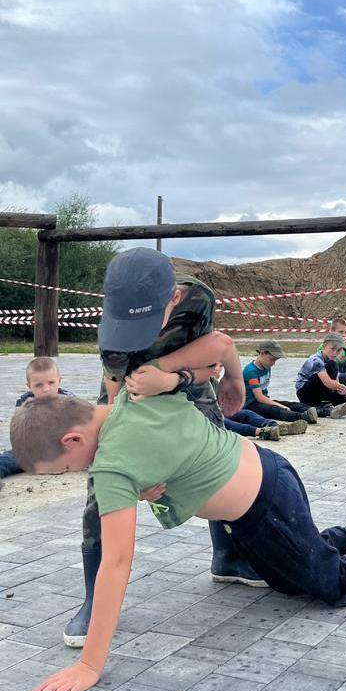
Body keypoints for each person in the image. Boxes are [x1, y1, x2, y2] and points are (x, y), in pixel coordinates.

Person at [11, 389, 346, 691]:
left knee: (335, 583)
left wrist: (90, 665)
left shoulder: (111, 465)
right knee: (290, 579)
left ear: (72, 439)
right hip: (267, 476)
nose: (76, 474)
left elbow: (116, 562)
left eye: (65, 469)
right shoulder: (134, 396)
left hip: (265, 505)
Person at [64, 248, 266, 651]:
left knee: (215, 457)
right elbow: (117, 406)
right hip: (129, 394)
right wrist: (133, 474)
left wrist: (197, 379)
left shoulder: (197, 299)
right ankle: (94, 596)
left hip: (183, 384)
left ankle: (227, 555)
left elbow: (210, 360)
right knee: (102, 488)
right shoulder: (113, 328)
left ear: (173, 297)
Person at [0, 357, 74, 478]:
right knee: (7, 459)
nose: (46, 389)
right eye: (38, 385)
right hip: (31, 450)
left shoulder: (69, 401)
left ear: (59, 380)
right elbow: (19, 433)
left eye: (51, 383)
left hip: (62, 448)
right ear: (29, 385)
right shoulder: (24, 402)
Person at [243, 340, 320, 422]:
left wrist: (281, 405)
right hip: (251, 404)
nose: (273, 363)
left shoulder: (266, 366)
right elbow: (259, 397)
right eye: (272, 359)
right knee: (276, 410)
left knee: (292, 404)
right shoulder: (251, 371)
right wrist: (280, 406)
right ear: (262, 353)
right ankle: (302, 417)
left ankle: (319, 411)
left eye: (275, 360)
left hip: (263, 401)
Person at [295, 333, 346, 418]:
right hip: (305, 393)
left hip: (320, 390)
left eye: (338, 350)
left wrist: (342, 390)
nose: (335, 353)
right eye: (332, 349)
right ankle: (325, 408)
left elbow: (336, 379)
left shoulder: (331, 359)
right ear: (324, 347)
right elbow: (329, 383)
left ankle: (329, 404)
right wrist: (340, 387)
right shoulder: (316, 360)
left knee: (345, 378)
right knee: (332, 365)